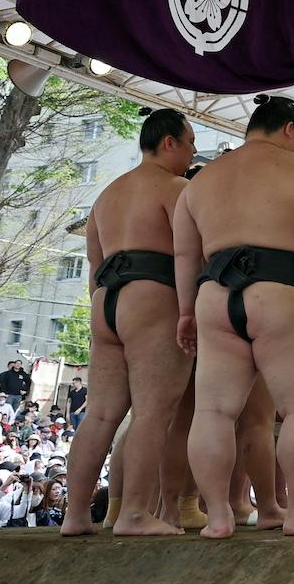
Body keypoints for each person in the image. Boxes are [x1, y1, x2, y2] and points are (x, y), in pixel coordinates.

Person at [174, 94, 294, 539]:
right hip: (282, 290)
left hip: (215, 293)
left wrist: (187, 312)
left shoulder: (201, 182)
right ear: (290, 129)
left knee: (213, 411)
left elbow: (185, 254)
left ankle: (220, 517)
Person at [64, 108, 198, 538]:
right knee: (153, 412)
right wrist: (188, 310)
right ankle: (136, 513)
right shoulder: (175, 188)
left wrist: (100, 315)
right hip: (152, 293)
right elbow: (187, 254)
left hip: (105, 301)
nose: (193, 151)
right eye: (190, 142)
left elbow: (93, 264)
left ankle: (75, 516)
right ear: (169, 142)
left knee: (100, 416)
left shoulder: (106, 195)